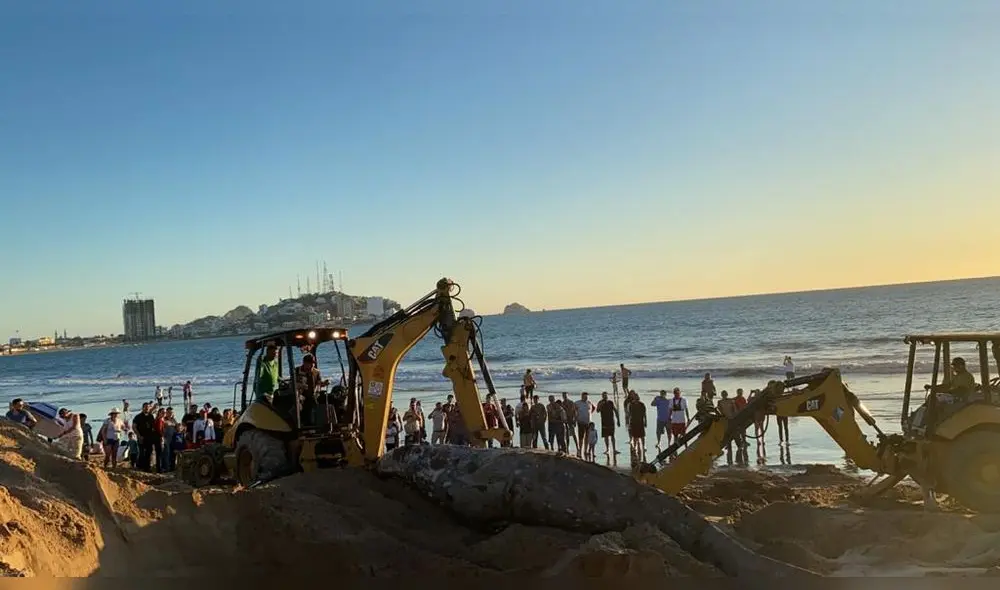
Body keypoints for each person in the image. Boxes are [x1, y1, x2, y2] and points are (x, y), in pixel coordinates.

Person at [596, 392, 620, 456]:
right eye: (604, 396)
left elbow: (615, 411)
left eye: (606, 396)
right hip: (604, 421)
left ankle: (614, 449)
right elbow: (597, 410)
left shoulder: (610, 402)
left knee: (612, 435)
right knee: (606, 436)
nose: (605, 397)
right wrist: (601, 404)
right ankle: (607, 449)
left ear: (607, 396)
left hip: (611, 421)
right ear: (602, 396)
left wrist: (618, 420)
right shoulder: (600, 402)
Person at [626, 391, 646, 462]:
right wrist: (628, 423)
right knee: (635, 436)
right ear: (633, 398)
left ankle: (643, 447)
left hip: (640, 422)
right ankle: (635, 447)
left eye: (637, 397)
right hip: (633, 422)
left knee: (642, 436)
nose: (636, 398)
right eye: (635, 397)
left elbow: (644, 414)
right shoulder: (630, 404)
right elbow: (628, 414)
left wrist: (645, 421)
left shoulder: (642, 404)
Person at [574, 392, 595, 459]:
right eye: (584, 397)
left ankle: (585, 450)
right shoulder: (577, 403)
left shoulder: (589, 403)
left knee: (587, 437)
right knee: (581, 438)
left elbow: (594, 408)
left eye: (586, 397)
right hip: (581, 422)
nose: (585, 398)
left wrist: (590, 414)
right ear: (581, 397)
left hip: (588, 423)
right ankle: (580, 450)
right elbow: (573, 410)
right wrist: (575, 418)